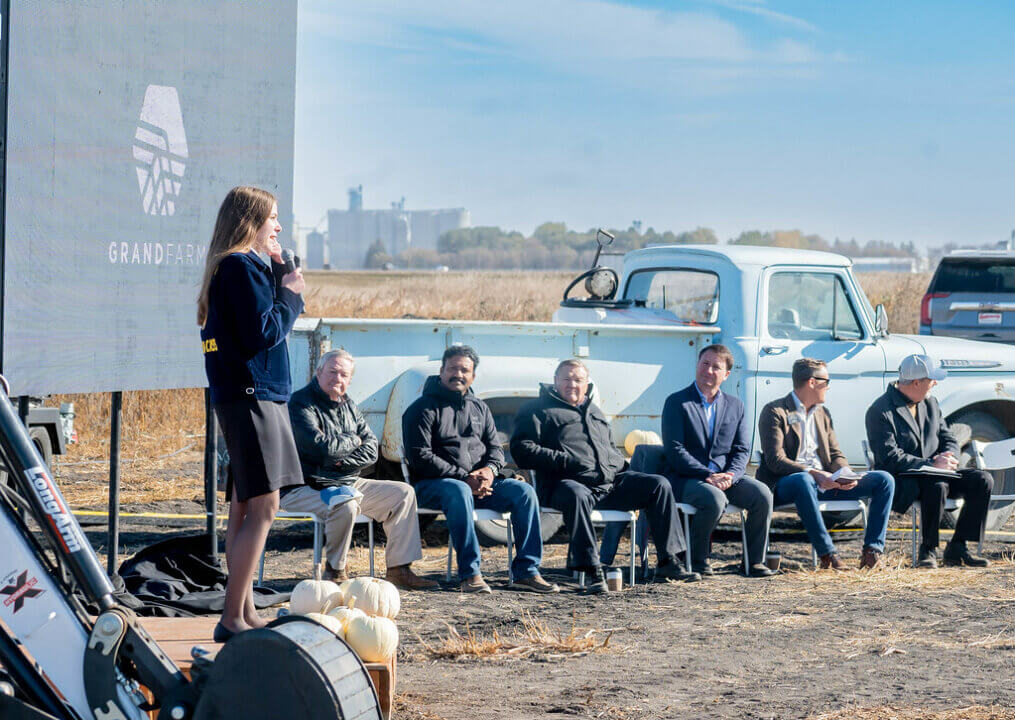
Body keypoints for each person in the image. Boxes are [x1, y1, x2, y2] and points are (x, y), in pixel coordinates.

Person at [198, 186, 305, 641]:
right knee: (265, 504)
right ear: (252, 221)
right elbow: (264, 331)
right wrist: (292, 296)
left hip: (247, 395)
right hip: (253, 396)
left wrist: (282, 273)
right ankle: (232, 616)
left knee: (244, 505)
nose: (279, 227)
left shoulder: (234, 267)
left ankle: (241, 610)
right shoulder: (241, 266)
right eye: (273, 218)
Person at [510, 360, 696, 593]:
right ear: (556, 382)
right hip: (564, 484)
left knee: (658, 484)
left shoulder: (594, 411)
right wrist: (565, 459)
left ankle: (669, 561)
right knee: (575, 494)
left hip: (607, 484)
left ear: (586, 385)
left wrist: (620, 467)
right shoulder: (536, 410)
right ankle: (591, 570)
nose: (572, 384)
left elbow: (608, 448)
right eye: (566, 379)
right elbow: (521, 449)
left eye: (578, 380)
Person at [402, 345, 558, 594]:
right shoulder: (421, 409)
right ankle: (470, 574)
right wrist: (464, 477)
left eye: (465, 370)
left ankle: (527, 572)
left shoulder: (480, 408)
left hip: (480, 486)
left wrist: (490, 471)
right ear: (441, 371)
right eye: (453, 368)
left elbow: (496, 449)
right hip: (434, 486)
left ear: (473, 376)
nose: (458, 374)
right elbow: (419, 456)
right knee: (458, 490)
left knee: (523, 492)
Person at [283, 349, 437, 590]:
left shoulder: (349, 405)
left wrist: (341, 460)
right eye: (332, 372)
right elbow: (321, 448)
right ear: (318, 372)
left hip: (346, 481)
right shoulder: (300, 403)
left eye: (344, 375)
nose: (338, 379)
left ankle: (399, 570)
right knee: (346, 504)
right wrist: (352, 441)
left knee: (403, 494)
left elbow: (371, 452)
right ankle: (335, 571)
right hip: (306, 485)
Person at [757, 358, 895, 570]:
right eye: (826, 381)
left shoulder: (823, 413)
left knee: (884, 479)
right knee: (804, 480)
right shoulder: (775, 411)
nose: (828, 387)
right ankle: (828, 556)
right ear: (812, 382)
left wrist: (845, 473)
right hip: (788, 484)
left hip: (825, 483)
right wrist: (813, 473)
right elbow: (775, 461)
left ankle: (872, 553)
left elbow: (834, 453)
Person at [865, 354, 993, 568]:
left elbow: (948, 437)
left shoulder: (931, 402)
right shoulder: (880, 411)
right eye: (931, 379)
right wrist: (930, 464)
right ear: (916, 382)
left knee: (982, 479)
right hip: (905, 480)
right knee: (937, 484)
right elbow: (889, 457)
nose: (935, 383)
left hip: (938, 473)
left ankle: (958, 547)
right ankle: (928, 550)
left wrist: (949, 456)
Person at [661, 344, 774, 578]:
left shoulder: (736, 405)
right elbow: (675, 450)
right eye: (705, 364)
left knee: (762, 494)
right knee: (714, 499)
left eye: (716, 367)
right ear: (697, 366)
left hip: (726, 477)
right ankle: (697, 559)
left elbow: (742, 449)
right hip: (688, 477)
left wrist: (731, 475)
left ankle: (754, 562)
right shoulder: (677, 402)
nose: (709, 370)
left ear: (727, 375)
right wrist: (707, 474)